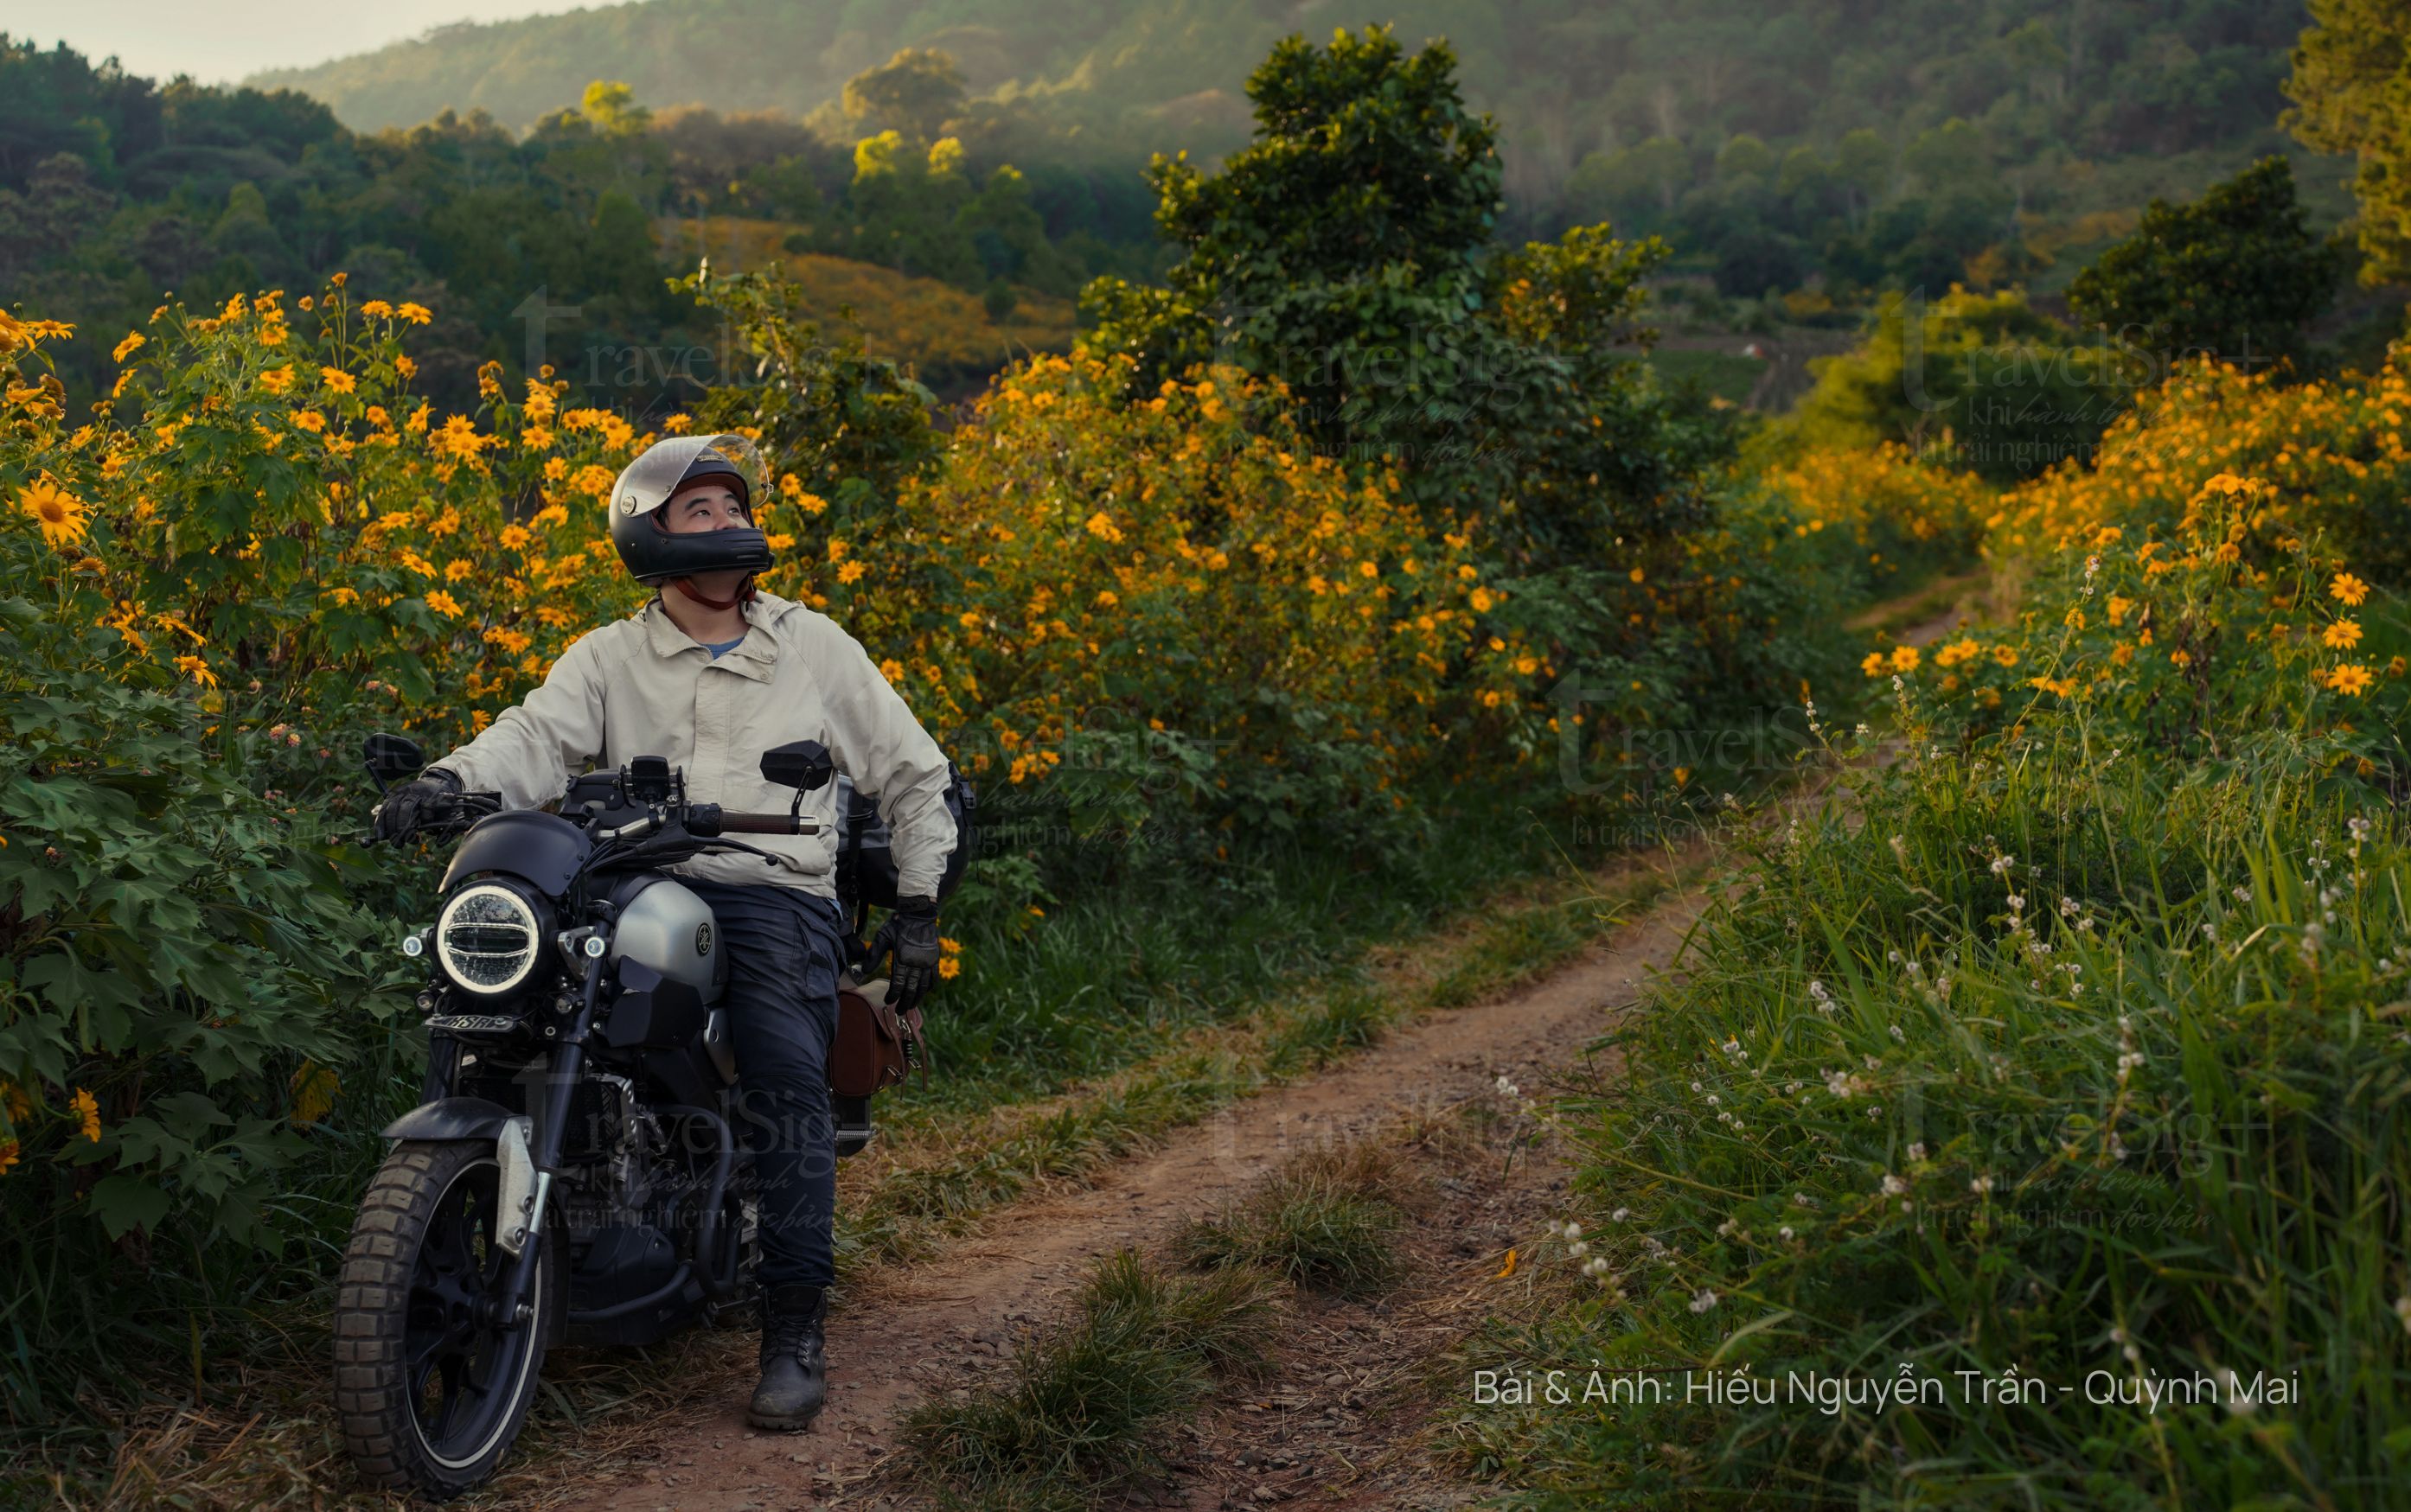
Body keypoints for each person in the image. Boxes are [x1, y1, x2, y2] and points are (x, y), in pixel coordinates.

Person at [371, 432, 957, 1432]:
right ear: (649, 532)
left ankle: (791, 1328)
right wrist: (449, 785)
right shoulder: (606, 657)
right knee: (510, 1014)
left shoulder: (812, 646)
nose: (730, 521)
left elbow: (915, 774)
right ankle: (526, 1232)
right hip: (627, 879)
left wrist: (916, 907)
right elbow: (531, 735)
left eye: (734, 506)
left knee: (782, 1070)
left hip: (773, 890)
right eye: (704, 509)